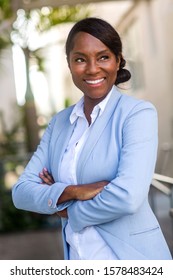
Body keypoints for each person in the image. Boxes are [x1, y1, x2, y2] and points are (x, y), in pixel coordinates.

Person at [12, 17, 172, 260]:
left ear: (118, 61)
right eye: (80, 59)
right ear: (69, 63)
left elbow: (128, 197)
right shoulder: (59, 123)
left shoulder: (137, 114)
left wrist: (65, 209)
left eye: (103, 57)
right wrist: (75, 191)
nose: (92, 68)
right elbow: (22, 192)